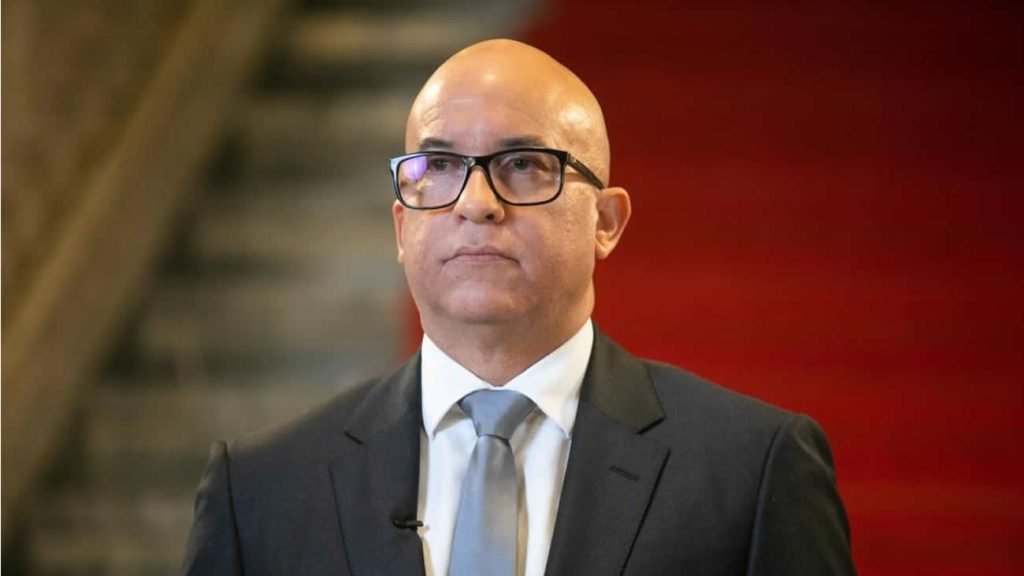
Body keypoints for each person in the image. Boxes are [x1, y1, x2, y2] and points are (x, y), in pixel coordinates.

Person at [182, 39, 855, 576]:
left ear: (606, 222)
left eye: (525, 165)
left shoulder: (753, 470)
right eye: (438, 168)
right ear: (401, 227)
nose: (475, 203)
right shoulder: (262, 490)